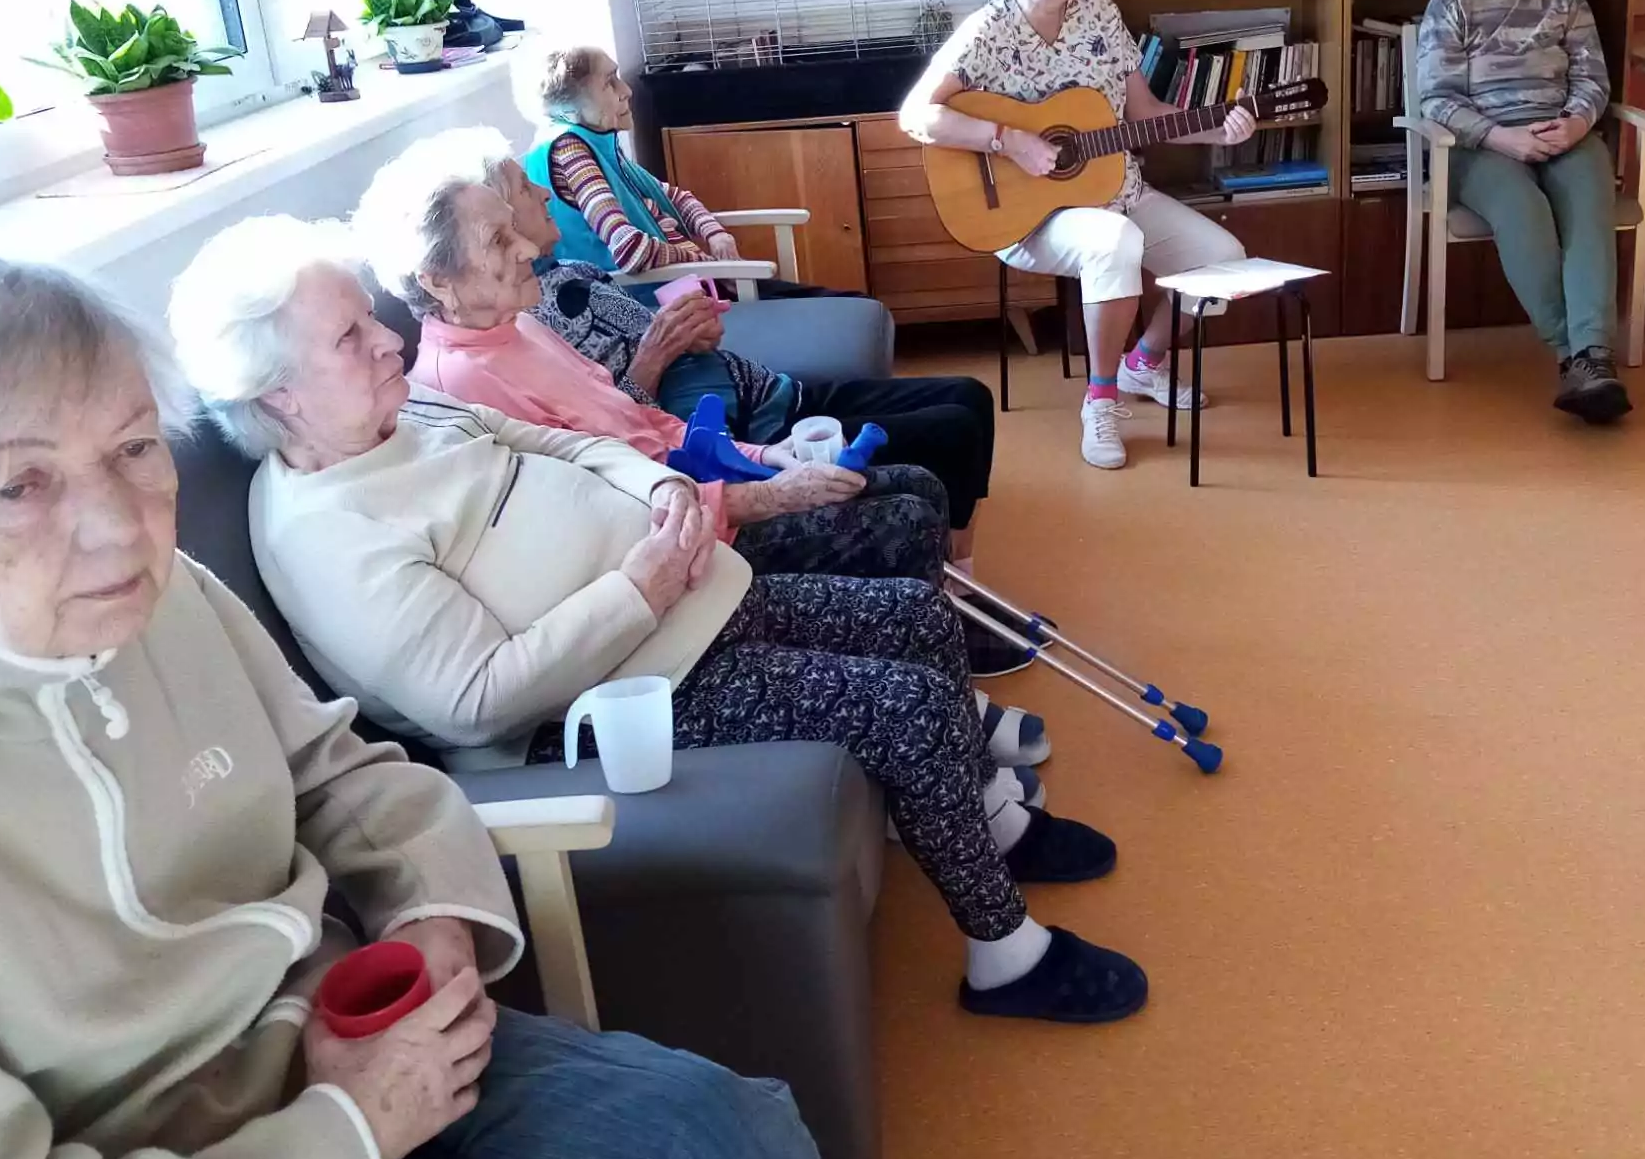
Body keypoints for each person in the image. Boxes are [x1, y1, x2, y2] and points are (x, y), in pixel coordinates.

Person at [0, 257, 830, 1159]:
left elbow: (336, 772)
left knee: (733, 1134)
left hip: (363, 1031)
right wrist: (349, 1129)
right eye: (20, 486)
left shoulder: (176, 594)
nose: (117, 527)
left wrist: (433, 908)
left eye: (134, 448)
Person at [166, 226, 1148, 1026]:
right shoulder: (324, 533)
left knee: (915, 614)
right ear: (278, 394)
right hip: (606, 706)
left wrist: (662, 487)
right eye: (351, 337)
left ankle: (991, 825)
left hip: (687, 602)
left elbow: (561, 443)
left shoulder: (405, 413)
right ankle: (1005, 956)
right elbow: (473, 703)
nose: (389, 341)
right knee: (909, 706)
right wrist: (637, 586)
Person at [351, 134, 1041, 703]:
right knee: (904, 514)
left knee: (917, 484)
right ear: (437, 280)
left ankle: (940, 657)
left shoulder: (519, 326)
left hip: (708, 478)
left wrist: (765, 457)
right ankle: (937, 677)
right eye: (500, 240)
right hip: (685, 539)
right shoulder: (463, 386)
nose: (528, 248)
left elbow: (643, 422)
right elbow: (607, 510)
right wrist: (765, 495)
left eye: (514, 230)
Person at [901, 0, 1255, 471]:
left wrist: (1217, 130)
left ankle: (1145, 362)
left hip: (1120, 192)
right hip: (1030, 218)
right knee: (1114, 242)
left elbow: (1144, 114)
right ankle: (1101, 400)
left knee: (1223, 257)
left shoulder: (1101, 15)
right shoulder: (986, 32)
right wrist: (1010, 140)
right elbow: (916, 116)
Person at [1417, 0, 1630, 424]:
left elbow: (1593, 78)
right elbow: (1436, 100)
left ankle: (1594, 355)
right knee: (1524, 210)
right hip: (1481, 145)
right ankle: (1573, 353)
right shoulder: (1451, 4)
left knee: (1589, 206)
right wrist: (1500, 137)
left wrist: (1577, 124)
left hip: (1563, 133)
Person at [526, 44, 840, 298]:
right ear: (572, 105)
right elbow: (629, 249)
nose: (627, 90)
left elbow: (675, 197)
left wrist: (715, 234)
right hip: (663, 302)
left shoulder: (596, 144)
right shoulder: (572, 153)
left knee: (842, 304)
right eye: (609, 82)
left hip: (693, 286)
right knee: (841, 305)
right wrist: (708, 265)